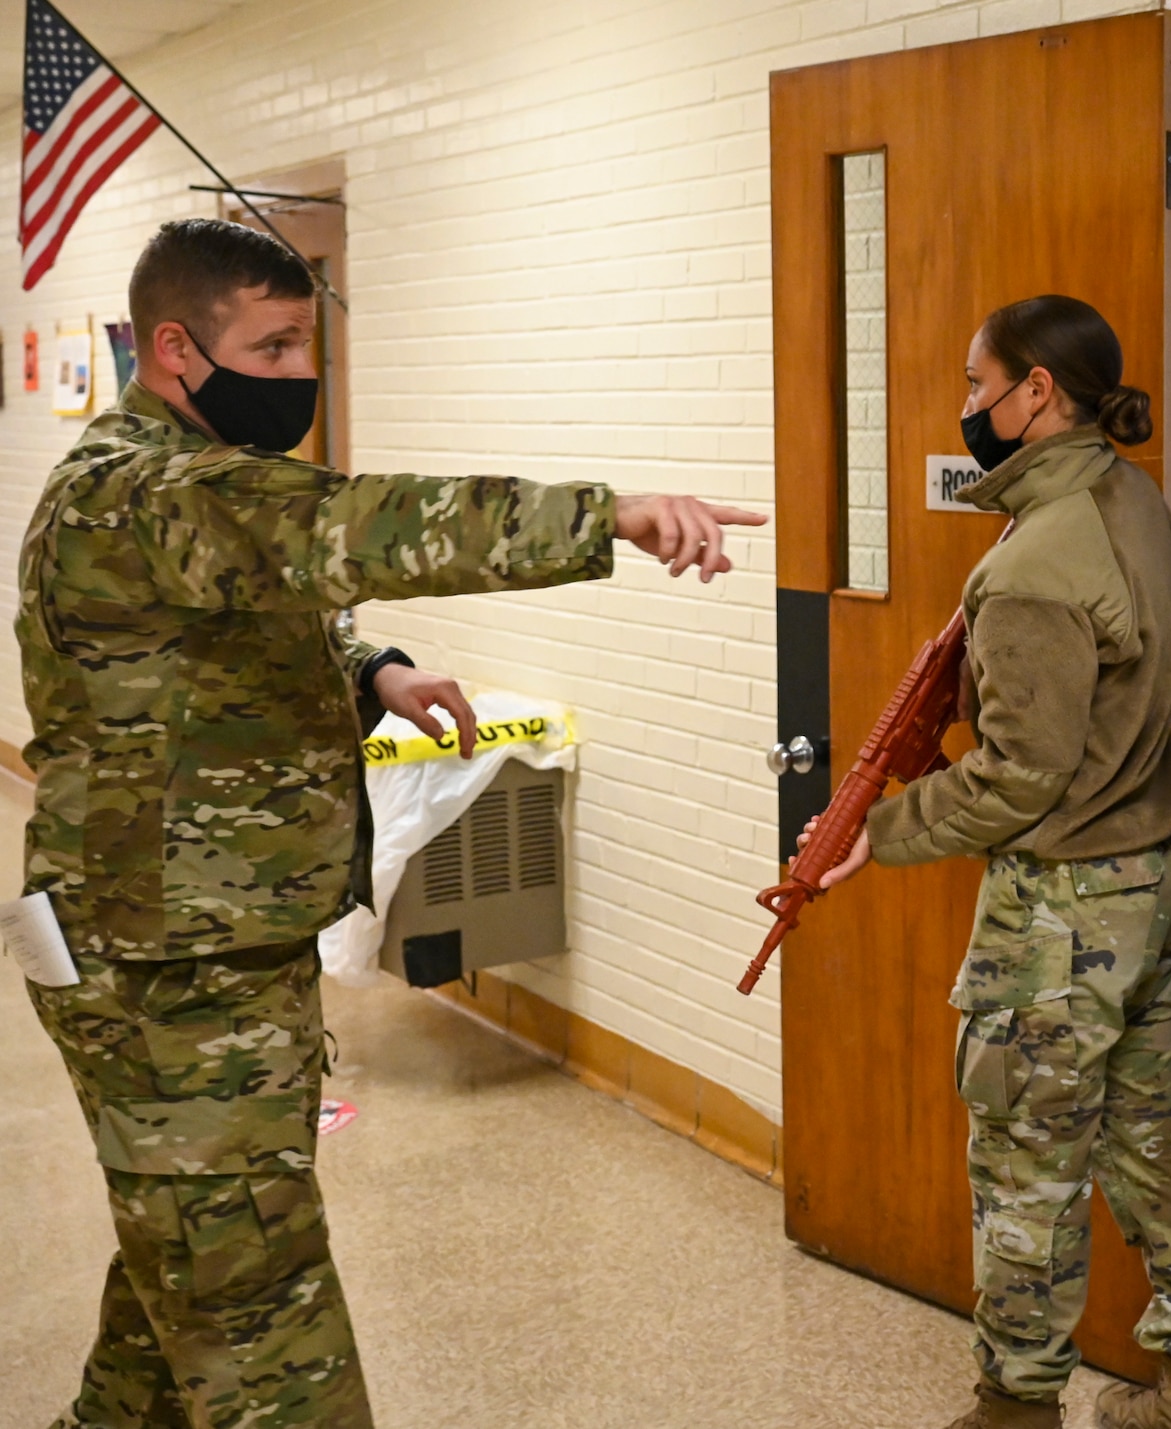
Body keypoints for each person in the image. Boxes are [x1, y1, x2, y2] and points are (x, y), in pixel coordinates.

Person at [18, 218, 764, 1429]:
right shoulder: (137, 491)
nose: (295, 374)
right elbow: (353, 525)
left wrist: (374, 673)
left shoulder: (186, 493)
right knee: (262, 1324)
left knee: (190, 1269)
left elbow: (245, 624)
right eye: (268, 345)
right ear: (173, 350)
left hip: (201, 943)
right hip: (160, 966)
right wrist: (607, 514)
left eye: (303, 341)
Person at [808, 295, 1171, 1429]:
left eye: (974, 384)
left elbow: (1018, 775)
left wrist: (883, 829)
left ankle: (1016, 1404)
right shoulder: (1125, 494)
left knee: (1024, 1159)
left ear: (1035, 393)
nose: (964, 407)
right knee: (1150, 1124)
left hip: (1064, 903)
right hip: (1148, 868)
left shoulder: (1033, 564)